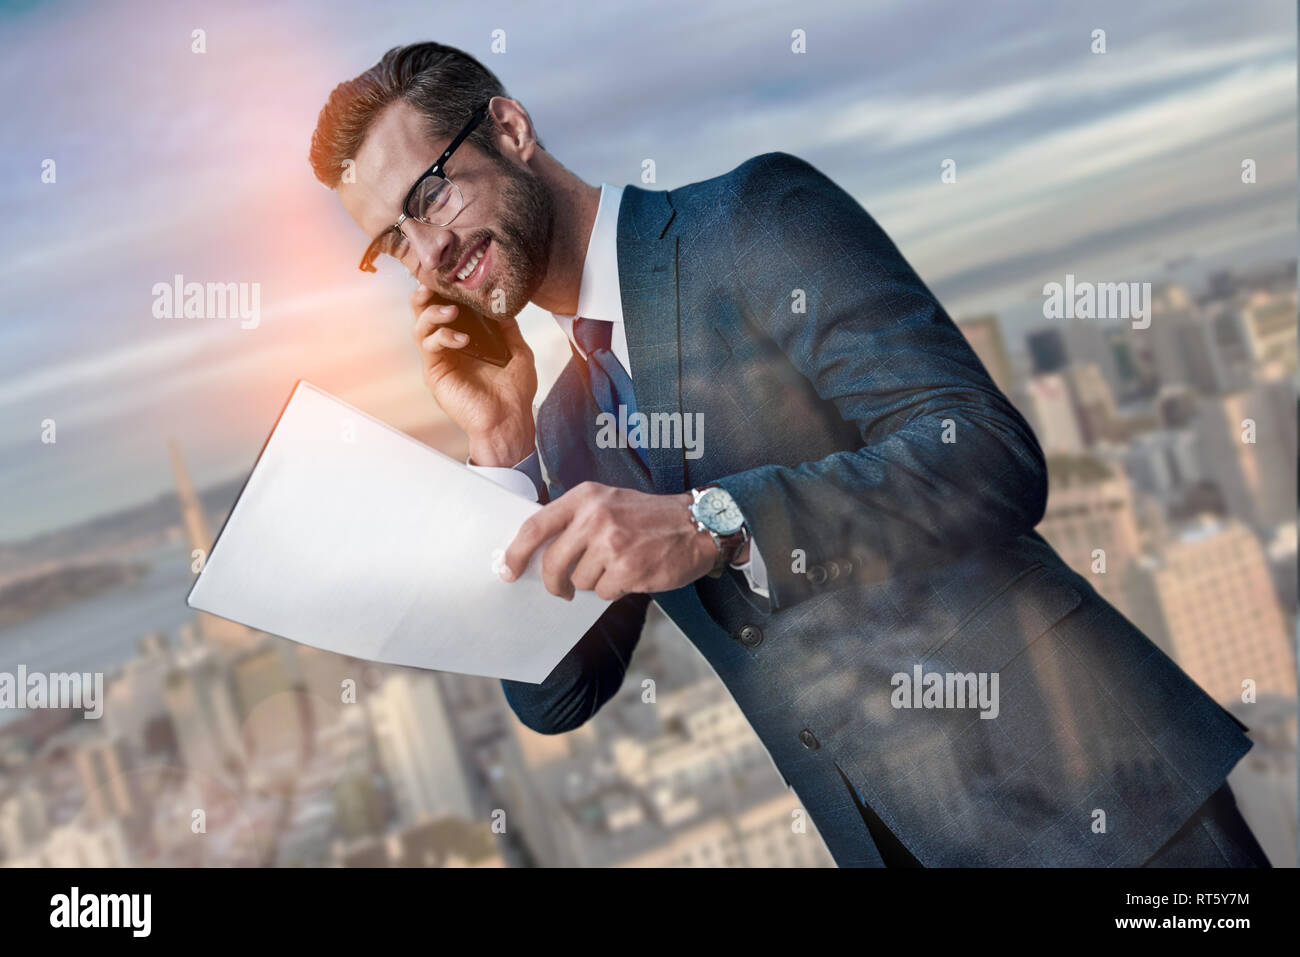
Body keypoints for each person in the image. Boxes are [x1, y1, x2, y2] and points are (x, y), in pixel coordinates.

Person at [309, 42, 1270, 867]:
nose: (427, 252)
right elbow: (556, 696)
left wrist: (714, 522)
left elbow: (989, 454)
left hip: (1108, 809)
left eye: (429, 196)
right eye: (392, 241)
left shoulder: (752, 219)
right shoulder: (562, 425)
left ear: (511, 130)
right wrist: (501, 446)